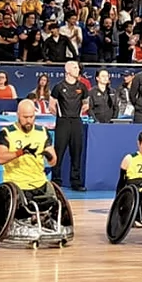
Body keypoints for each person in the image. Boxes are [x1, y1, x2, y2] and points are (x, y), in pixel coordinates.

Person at [51, 61, 90, 191]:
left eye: (78, 67)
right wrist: (61, 115)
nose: (77, 69)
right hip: (63, 122)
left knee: (76, 152)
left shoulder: (82, 87)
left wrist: (79, 111)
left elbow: (86, 103)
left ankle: (76, 182)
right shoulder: (58, 87)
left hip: (77, 122)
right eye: (74, 67)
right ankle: (56, 181)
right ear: (67, 70)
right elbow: (52, 105)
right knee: (59, 152)